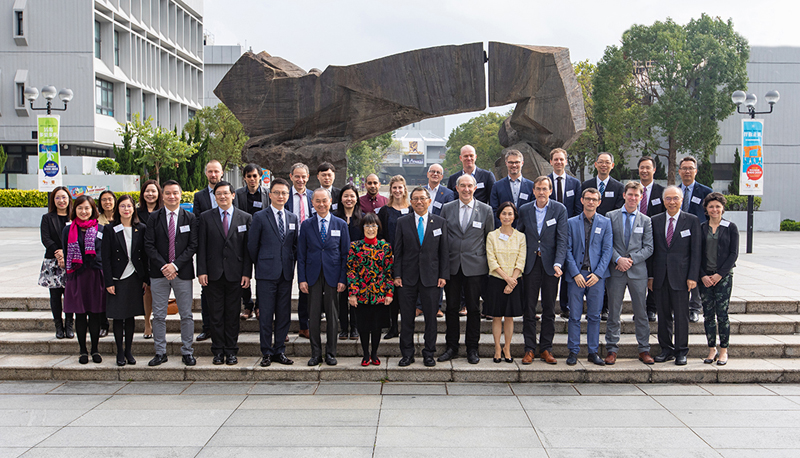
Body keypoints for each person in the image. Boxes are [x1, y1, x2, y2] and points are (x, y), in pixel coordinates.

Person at [439, 174, 494, 364]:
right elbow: (442, 239)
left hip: (475, 267)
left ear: (475, 188)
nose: (466, 189)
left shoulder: (486, 210)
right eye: (462, 186)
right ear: (456, 188)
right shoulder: (447, 209)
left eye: (469, 186)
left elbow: (489, 239)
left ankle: (472, 348)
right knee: (452, 308)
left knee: (473, 308)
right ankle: (451, 347)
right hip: (453, 266)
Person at [197, 181, 252, 366]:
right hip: (213, 275)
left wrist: (247, 273)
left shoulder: (245, 218)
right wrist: (202, 271)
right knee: (216, 314)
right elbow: (201, 247)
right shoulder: (205, 217)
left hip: (236, 275)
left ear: (233, 195)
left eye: (226, 193)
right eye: (218, 194)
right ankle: (218, 351)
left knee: (232, 314)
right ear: (214, 196)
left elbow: (247, 250)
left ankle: (231, 350)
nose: (222, 196)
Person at [144, 180, 198, 367]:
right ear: (163, 195)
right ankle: (160, 352)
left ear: (180, 195)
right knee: (158, 315)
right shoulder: (154, 217)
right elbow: (148, 245)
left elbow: (193, 246)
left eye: (175, 193)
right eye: (167, 193)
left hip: (182, 272)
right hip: (159, 274)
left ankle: (187, 351)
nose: (171, 196)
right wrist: (164, 266)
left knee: (186, 314)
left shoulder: (189, 217)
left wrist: (174, 266)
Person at [393, 187, 449, 367]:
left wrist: (443, 275)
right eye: (415, 199)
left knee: (431, 319)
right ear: (410, 201)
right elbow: (398, 251)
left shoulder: (440, 222)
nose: (419, 202)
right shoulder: (403, 222)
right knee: (407, 318)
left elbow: (444, 252)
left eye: (422, 198)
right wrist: (397, 274)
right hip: (407, 278)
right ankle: (407, 354)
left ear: (429, 201)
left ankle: (429, 353)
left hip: (431, 278)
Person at [647, 185, 701, 366]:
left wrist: (693, 276)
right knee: (663, 316)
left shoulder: (692, 221)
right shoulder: (654, 220)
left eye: (675, 198)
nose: (672, 202)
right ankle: (666, 349)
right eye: (668, 198)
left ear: (681, 200)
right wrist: (651, 276)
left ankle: (681, 351)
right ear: (663, 201)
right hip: (660, 277)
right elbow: (652, 251)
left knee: (681, 316)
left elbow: (696, 252)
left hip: (682, 277)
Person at [517, 176, 568, 365]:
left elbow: (562, 239)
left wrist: (558, 263)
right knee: (529, 309)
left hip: (550, 266)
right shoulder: (524, 210)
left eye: (545, 189)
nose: (541, 192)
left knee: (549, 309)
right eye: (538, 188)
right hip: (530, 265)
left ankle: (546, 348)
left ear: (550, 191)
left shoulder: (559, 209)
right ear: (533, 191)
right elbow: (519, 237)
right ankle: (529, 349)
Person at [297, 188, 350, 366]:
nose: (321, 204)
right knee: (313, 315)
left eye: (324, 201)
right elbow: (301, 255)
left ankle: (331, 353)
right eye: (317, 201)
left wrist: (343, 279)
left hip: (333, 276)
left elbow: (345, 255)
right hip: (312, 276)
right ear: (312, 203)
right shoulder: (306, 225)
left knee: (333, 316)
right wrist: (301, 279)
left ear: (330, 201)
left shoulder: (340, 224)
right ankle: (315, 353)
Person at [248, 178, 297, 367]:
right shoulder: (260, 217)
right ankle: (266, 352)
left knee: (284, 314)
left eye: (284, 193)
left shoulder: (292, 218)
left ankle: (279, 351)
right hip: (266, 274)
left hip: (285, 274)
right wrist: (263, 263)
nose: (280, 196)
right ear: (270, 195)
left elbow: (294, 246)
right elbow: (253, 246)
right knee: (266, 315)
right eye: (277, 192)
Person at [605, 182, 654, 366]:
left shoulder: (646, 220)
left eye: (637, 195)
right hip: (616, 271)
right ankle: (612, 349)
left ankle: (644, 349)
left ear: (641, 197)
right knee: (614, 312)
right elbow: (606, 243)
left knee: (641, 312)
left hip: (637, 272)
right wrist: (618, 259)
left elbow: (649, 247)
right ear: (624, 195)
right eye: (630, 194)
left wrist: (630, 259)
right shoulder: (610, 216)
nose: (633, 198)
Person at [564, 188, 613, 366]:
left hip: (596, 276)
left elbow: (607, 250)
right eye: (588, 199)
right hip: (577, 275)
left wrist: (598, 274)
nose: (591, 202)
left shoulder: (605, 223)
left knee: (594, 316)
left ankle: (593, 352)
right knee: (574, 316)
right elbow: (567, 249)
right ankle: (573, 351)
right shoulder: (571, 222)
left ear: (599, 202)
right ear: (582, 200)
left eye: (594, 199)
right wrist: (575, 272)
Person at [102, 195, 148, 366]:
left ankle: (129, 351)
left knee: (130, 317)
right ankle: (119, 352)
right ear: (117, 209)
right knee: (118, 317)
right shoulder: (110, 229)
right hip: (117, 278)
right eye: (122, 206)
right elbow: (105, 257)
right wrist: (108, 282)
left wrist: (145, 278)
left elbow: (143, 255)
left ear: (133, 208)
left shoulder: (140, 228)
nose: (126, 209)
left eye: (129, 206)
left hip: (135, 277)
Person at [62, 195, 106, 364]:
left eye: (87, 208)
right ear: (75, 210)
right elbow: (67, 254)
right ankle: (82, 350)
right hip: (77, 276)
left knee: (95, 315)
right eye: (80, 208)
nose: (83, 211)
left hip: (95, 276)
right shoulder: (68, 229)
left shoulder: (100, 229)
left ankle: (95, 349)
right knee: (80, 315)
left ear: (93, 210)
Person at [347, 213, 394, 366]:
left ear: (378, 227)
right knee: (364, 325)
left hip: (379, 293)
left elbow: (388, 271)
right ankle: (365, 354)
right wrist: (352, 293)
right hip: (361, 293)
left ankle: (374, 353)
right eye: (367, 226)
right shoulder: (355, 246)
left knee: (377, 326)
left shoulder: (385, 247)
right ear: (363, 228)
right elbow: (351, 271)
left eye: (373, 226)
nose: (370, 229)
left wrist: (389, 292)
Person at [582, 152, 624, 322]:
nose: (604, 165)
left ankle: (604, 308)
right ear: (595, 164)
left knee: (604, 270)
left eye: (607, 162)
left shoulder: (618, 187)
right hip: (587, 233)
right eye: (601, 162)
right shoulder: (586, 184)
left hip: (608, 233)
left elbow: (618, 211)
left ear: (612, 165)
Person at [699, 193, 739, 366]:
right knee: (708, 315)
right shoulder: (701, 228)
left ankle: (724, 350)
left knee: (722, 314)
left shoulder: (730, 227)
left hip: (723, 277)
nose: (714, 210)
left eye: (717, 206)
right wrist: (702, 275)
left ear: (722, 208)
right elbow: (696, 254)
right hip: (705, 277)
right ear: (706, 209)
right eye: (711, 207)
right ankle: (711, 349)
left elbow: (733, 254)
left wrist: (719, 274)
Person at [484, 202, 526, 363]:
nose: (507, 217)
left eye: (510, 214)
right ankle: (497, 348)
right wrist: (506, 279)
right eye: (504, 214)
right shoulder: (492, 236)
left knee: (509, 317)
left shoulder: (520, 237)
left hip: (514, 281)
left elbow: (521, 261)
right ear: (499, 215)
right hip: (496, 280)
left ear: (514, 216)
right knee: (496, 316)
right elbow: (491, 260)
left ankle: (507, 347)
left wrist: (512, 280)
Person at [193, 159, 226, 342]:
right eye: (210, 171)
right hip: (208, 250)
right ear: (206, 173)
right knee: (206, 292)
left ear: (222, 173)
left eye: (216, 171)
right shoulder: (200, 196)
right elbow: (197, 223)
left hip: (228, 251)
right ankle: (207, 328)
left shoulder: (230, 193)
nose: (213, 175)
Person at [548, 148, 582, 318]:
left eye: (562, 159)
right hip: (549, 233)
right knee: (552, 270)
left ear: (566, 161)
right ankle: (549, 305)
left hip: (569, 233)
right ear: (551, 162)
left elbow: (577, 209)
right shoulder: (545, 182)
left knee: (567, 269)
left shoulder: (575, 183)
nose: (559, 162)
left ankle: (565, 306)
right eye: (556, 159)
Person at [678, 156, 713, 323]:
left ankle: (694, 308)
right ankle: (680, 306)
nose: (687, 171)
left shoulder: (705, 191)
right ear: (679, 171)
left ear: (695, 171)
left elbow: (711, 214)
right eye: (684, 168)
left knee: (696, 272)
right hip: (678, 239)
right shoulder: (675, 192)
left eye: (690, 168)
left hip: (698, 238)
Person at [377, 175, 412, 339]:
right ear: (390, 190)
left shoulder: (411, 209)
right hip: (389, 257)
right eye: (394, 188)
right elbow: (381, 234)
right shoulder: (385, 211)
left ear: (404, 189)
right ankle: (392, 327)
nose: (397, 190)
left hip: (408, 258)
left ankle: (406, 326)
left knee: (405, 294)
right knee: (391, 293)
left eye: (400, 187)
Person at [235, 163, 270, 321]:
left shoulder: (266, 194)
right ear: (244, 178)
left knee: (261, 275)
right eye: (248, 176)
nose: (252, 179)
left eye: (255, 176)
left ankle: (259, 306)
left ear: (260, 177)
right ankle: (247, 305)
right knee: (244, 274)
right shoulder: (238, 194)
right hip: (243, 239)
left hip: (262, 240)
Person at [38, 186, 73, 339]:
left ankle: (69, 326)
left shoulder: (74, 216)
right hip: (53, 261)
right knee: (55, 295)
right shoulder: (47, 218)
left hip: (72, 260)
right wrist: (59, 253)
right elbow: (45, 238)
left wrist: (65, 254)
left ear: (69, 199)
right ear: (53, 200)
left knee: (70, 295)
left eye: (64, 197)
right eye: (57, 197)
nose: (61, 200)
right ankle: (58, 326)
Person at [285, 162, 314, 339]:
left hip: (309, 246)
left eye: (303, 176)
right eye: (297, 176)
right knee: (284, 287)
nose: (300, 179)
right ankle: (283, 327)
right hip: (287, 245)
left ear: (308, 177)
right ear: (291, 177)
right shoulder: (283, 195)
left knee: (306, 286)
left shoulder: (313, 196)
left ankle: (304, 325)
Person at [334, 184, 364, 341]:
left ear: (357, 198)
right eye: (346, 196)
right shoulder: (334, 217)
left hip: (357, 264)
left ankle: (355, 327)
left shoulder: (362, 218)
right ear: (341, 199)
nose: (349, 199)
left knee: (355, 296)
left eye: (352, 196)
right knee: (341, 295)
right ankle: (343, 328)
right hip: (337, 263)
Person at [638, 156, 665, 322]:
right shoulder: (632, 190)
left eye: (648, 167)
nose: (645, 171)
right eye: (642, 167)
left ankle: (651, 308)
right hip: (634, 241)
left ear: (654, 169)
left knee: (653, 275)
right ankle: (639, 308)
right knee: (638, 277)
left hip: (655, 240)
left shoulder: (661, 192)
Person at [136, 179, 162, 340]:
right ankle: (147, 323)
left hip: (160, 257)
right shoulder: (136, 213)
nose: (150, 194)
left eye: (153, 191)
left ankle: (159, 322)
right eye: (147, 191)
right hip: (141, 256)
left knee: (158, 291)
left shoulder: (164, 211)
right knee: (147, 290)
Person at [490, 149, 534, 228]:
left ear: (522, 163)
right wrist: (503, 229)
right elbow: (494, 211)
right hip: (504, 231)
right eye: (511, 162)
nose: (514, 165)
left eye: (517, 162)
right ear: (506, 163)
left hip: (525, 231)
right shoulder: (497, 186)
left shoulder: (531, 186)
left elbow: (533, 211)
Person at [95, 190, 116, 338]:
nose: (107, 202)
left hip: (121, 263)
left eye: (109, 199)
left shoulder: (123, 216)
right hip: (101, 263)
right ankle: (104, 324)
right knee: (102, 295)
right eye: (104, 200)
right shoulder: (96, 220)